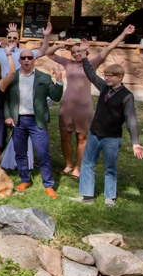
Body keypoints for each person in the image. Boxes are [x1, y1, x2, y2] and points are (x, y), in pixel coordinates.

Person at [41, 24, 135, 179]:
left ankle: (78, 167)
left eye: (79, 51)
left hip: (84, 108)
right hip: (67, 106)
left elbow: (110, 47)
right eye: (74, 52)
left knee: (82, 137)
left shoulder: (91, 63)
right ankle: (68, 164)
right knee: (65, 135)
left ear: (85, 51)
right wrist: (60, 45)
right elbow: (47, 53)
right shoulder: (68, 63)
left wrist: (124, 33)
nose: (77, 54)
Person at [70, 59, 143, 207]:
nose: (107, 78)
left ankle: (110, 198)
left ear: (120, 77)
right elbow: (91, 74)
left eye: (111, 76)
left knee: (110, 168)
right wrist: (84, 55)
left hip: (112, 138)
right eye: (106, 75)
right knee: (87, 164)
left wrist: (135, 142)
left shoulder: (127, 96)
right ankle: (87, 196)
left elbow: (131, 119)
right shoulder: (104, 87)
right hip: (94, 134)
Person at [3, 49, 64, 199]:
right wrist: (7, 116)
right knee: (20, 152)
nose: (26, 60)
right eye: (23, 58)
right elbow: (5, 99)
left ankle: (48, 184)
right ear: (19, 60)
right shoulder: (13, 77)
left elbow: (55, 97)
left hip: (37, 121)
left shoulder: (43, 77)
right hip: (18, 120)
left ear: (33, 60)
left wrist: (59, 81)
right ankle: (25, 179)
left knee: (43, 153)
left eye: (29, 57)